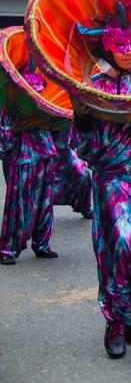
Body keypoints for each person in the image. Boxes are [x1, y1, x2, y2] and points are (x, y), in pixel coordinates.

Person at [69, 4, 131, 358]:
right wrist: (82, 117)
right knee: (119, 249)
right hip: (113, 178)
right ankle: (114, 321)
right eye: (119, 44)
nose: (127, 50)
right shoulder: (92, 86)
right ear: (106, 47)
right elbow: (83, 142)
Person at [0, 92, 57, 265]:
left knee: (45, 203)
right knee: (18, 205)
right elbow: (3, 140)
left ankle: (42, 244)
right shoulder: (8, 102)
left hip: (45, 153)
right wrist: (15, 129)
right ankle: (8, 249)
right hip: (22, 158)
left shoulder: (46, 93)